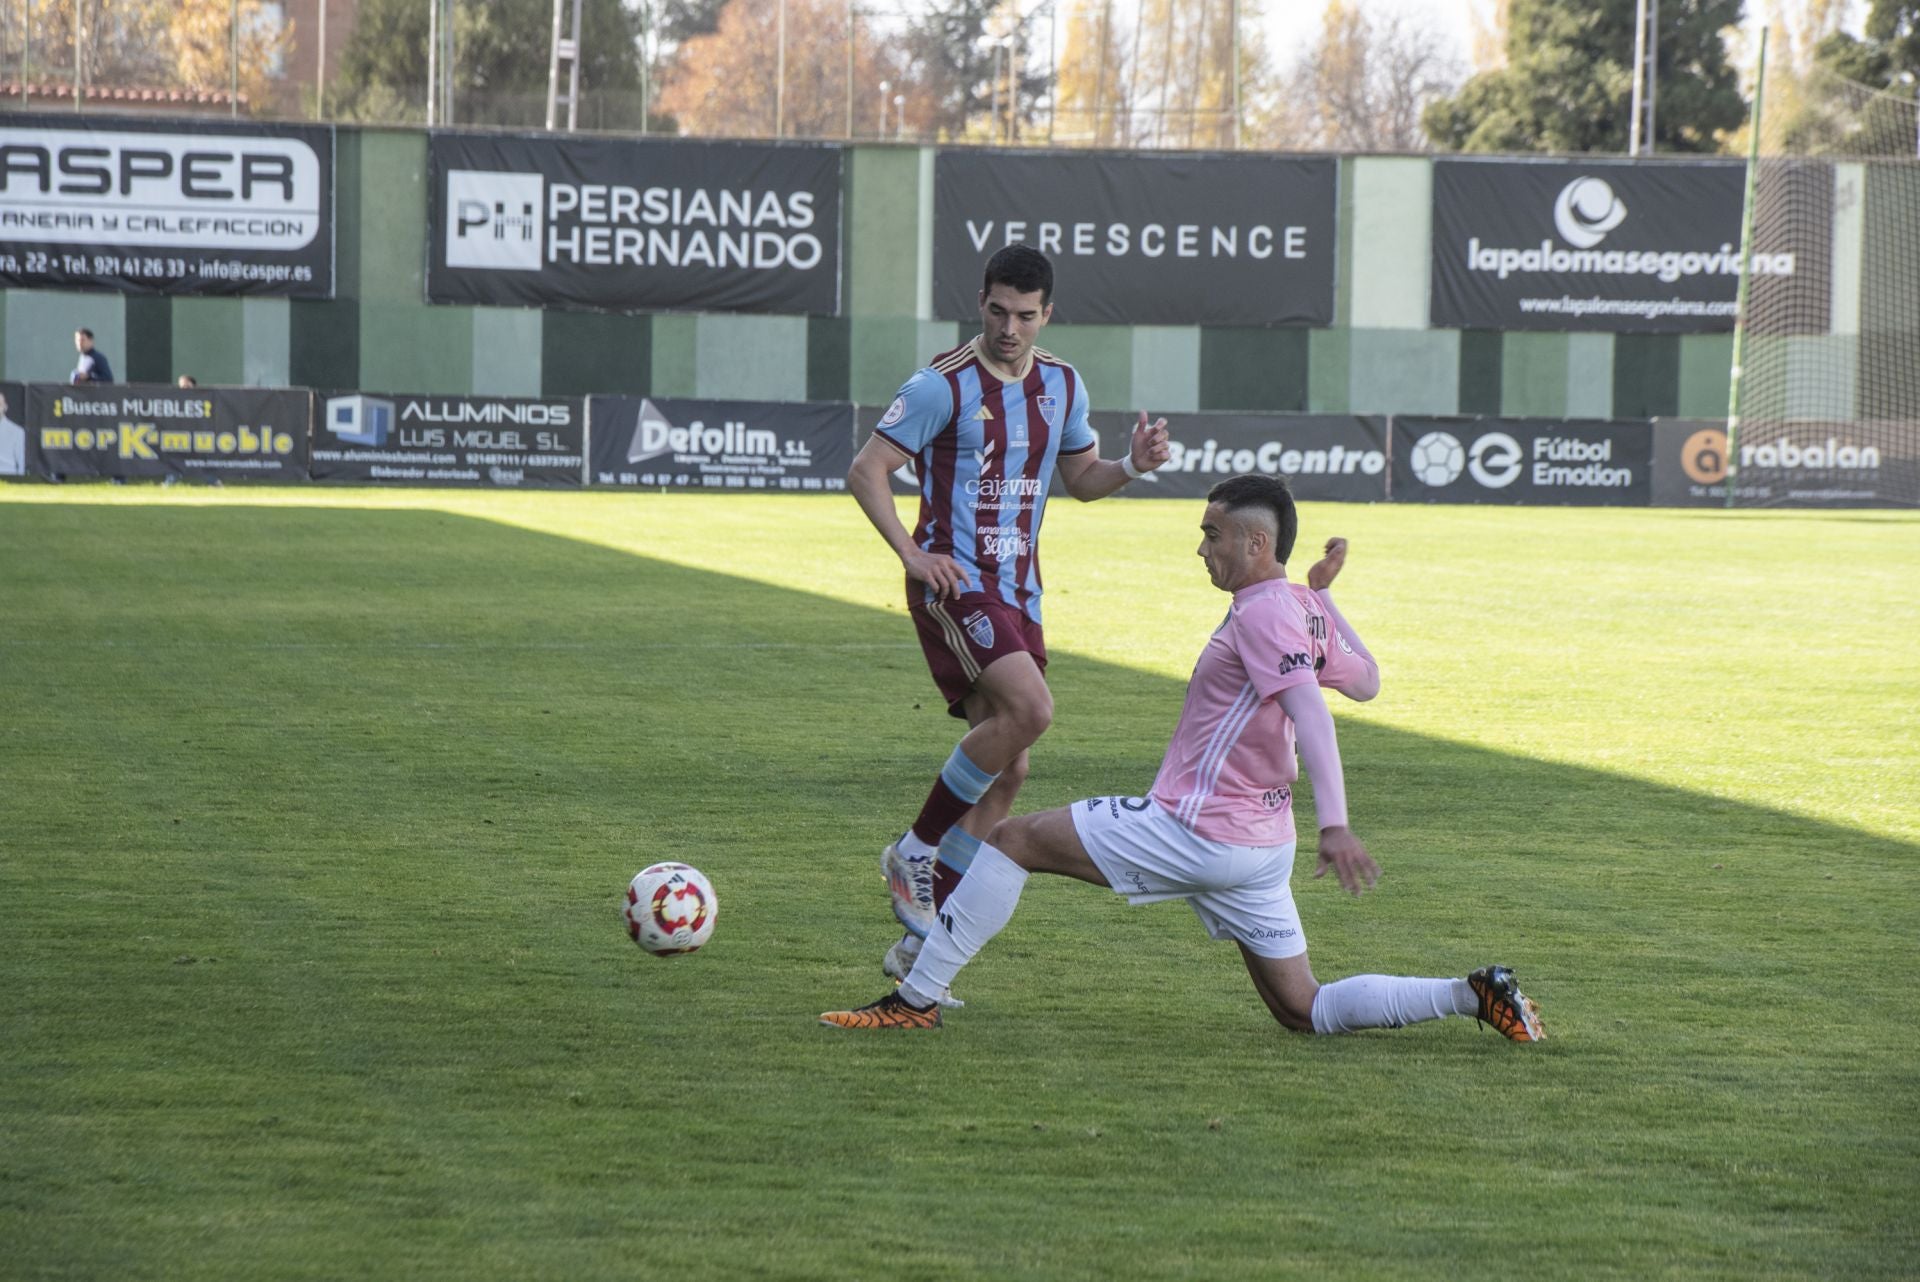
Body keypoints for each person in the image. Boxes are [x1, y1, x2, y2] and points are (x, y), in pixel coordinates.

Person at [822, 473, 1546, 1042]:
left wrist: (1338, 823)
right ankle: (1471, 992)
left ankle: (914, 999)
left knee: (1012, 840)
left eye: (1212, 535)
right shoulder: (1296, 606)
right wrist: (1324, 601)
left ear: (1255, 546)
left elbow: (1314, 714)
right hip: (1261, 849)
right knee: (1304, 1009)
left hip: (1199, 830)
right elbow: (1368, 680)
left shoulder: (1265, 612)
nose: (1201, 548)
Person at [844, 243, 1172, 998]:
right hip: (954, 581)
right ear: (981, 303)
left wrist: (1132, 467)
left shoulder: (1062, 384)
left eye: (1025, 316)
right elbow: (866, 471)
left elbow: (1082, 480)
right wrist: (912, 554)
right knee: (1033, 710)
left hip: (1020, 594)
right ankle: (914, 850)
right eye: (998, 311)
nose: (1009, 329)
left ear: (1047, 314)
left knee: (1011, 763)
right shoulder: (941, 384)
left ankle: (923, 952)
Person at [0, 390, 25, 477]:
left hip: (9, 474)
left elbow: (22, 461)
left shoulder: (17, 431)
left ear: (5, 407)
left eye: (0, 404)